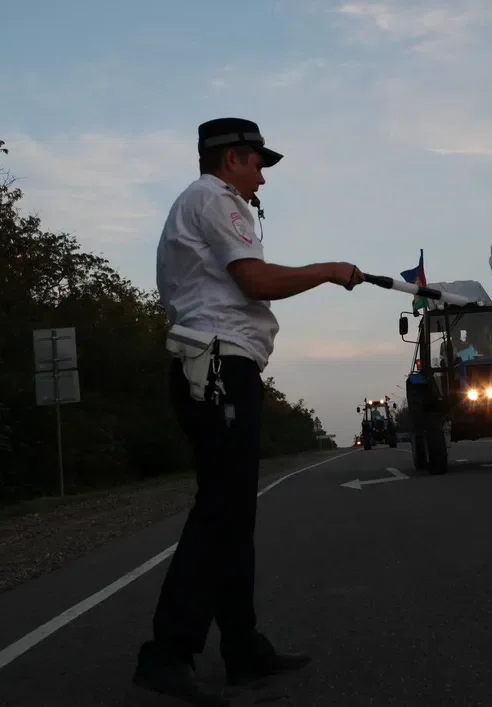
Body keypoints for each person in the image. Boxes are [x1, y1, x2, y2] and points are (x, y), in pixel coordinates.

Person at [134, 117, 364, 705]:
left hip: (221, 365)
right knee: (221, 510)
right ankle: (167, 654)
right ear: (232, 158)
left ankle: (243, 648)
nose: (263, 176)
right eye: (259, 162)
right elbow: (255, 280)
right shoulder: (215, 198)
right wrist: (328, 270)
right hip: (218, 366)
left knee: (233, 514)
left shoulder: (206, 202)